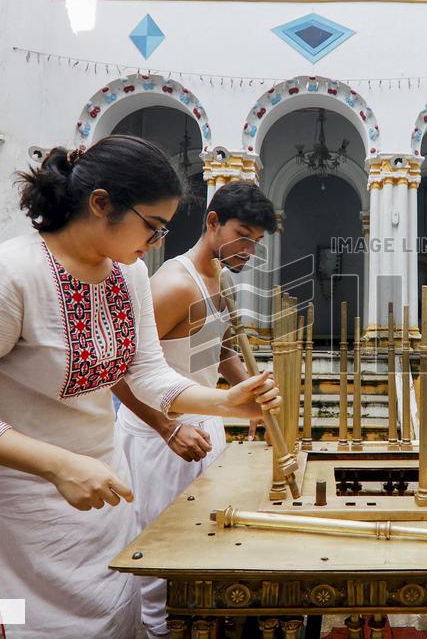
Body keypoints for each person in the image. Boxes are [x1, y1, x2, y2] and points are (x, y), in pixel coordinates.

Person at [0, 136, 281, 639]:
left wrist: (227, 402)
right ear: (101, 203)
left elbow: (147, 372)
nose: (157, 241)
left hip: (105, 484)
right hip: (20, 498)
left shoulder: (130, 274)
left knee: (113, 615)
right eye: (152, 226)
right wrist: (58, 464)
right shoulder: (11, 274)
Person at [112, 180, 277, 638]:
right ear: (213, 222)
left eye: (256, 241)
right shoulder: (173, 285)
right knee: (159, 553)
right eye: (242, 235)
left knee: (203, 543)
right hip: (160, 438)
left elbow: (218, 348)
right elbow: (118, 370)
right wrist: (167, 429)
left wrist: (252, 390)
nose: (249, 250)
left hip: (205, 425)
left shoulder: (220, 279)